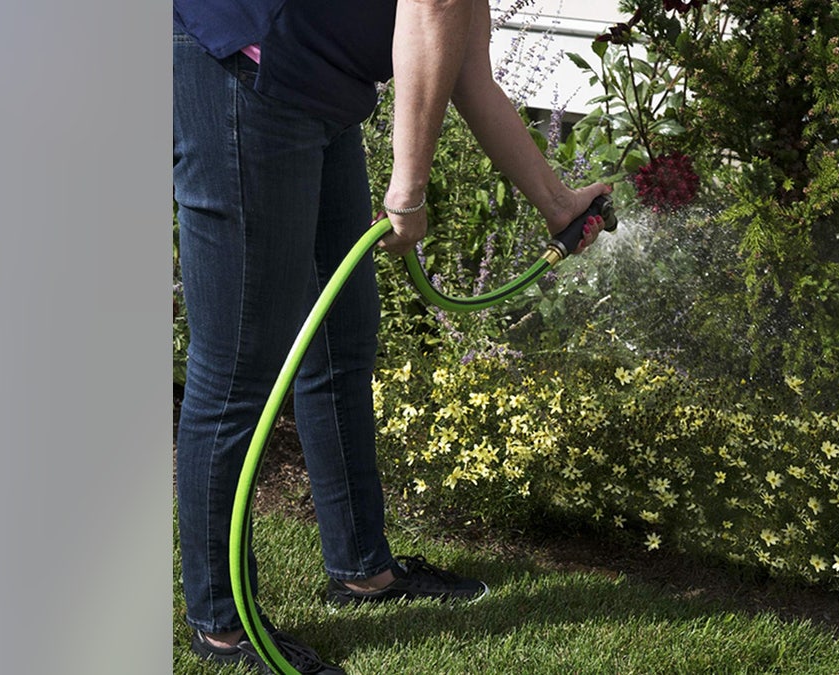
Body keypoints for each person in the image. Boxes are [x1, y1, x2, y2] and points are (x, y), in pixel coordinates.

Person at [173, 0, 611, 672]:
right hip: (244, 66)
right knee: (238, 362)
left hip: (321, 89)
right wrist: (408, 188)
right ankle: (221, 626)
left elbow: (465, 65)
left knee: (341, 341)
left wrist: (556, 203)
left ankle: (360, 569)